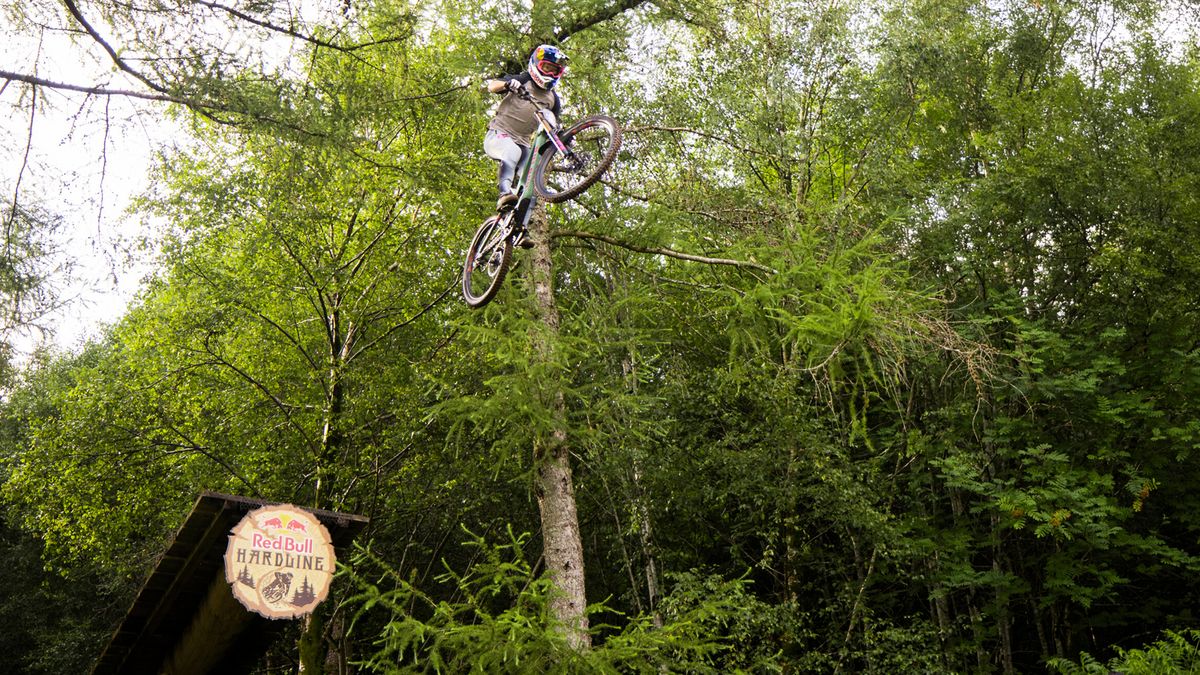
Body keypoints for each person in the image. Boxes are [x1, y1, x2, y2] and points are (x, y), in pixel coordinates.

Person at [483, 45, 567, 210]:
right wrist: (507, 85)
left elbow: (552, 127)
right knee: (511, 152)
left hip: (524, 144)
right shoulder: (524, 79)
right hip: (498, 134)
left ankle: (520, 219)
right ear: (536, 64)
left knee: (532, 178)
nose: (549, 73)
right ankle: (504, 194)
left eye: (554, 70)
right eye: (546, 67)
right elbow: (492, 86)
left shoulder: (553, 100)